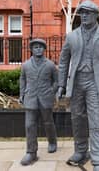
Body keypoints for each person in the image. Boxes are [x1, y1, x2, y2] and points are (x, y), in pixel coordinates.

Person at [57, 0, 99, 171]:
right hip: (76, 81)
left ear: (95, 15)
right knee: (77, 119)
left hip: (96, 82)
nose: (83, 16)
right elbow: (63, 62)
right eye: (81, 13)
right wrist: (61, 85)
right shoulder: (72, 36)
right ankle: (80, 151)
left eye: (87, 13)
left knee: (96, 120)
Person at [19, 38, 58, 166]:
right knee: (30, 125)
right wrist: (22, 94)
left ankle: (52, 142)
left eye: (40, 47)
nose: (38, 49)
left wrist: (51, 91)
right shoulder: (26, 65)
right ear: (31, 49)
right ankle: (31, 152)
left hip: (45, 98)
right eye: (35, 47)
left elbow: (56, 81)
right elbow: (23, 80)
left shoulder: (50, 65)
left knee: (48, 122)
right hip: (30, 98)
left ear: (44, 49)